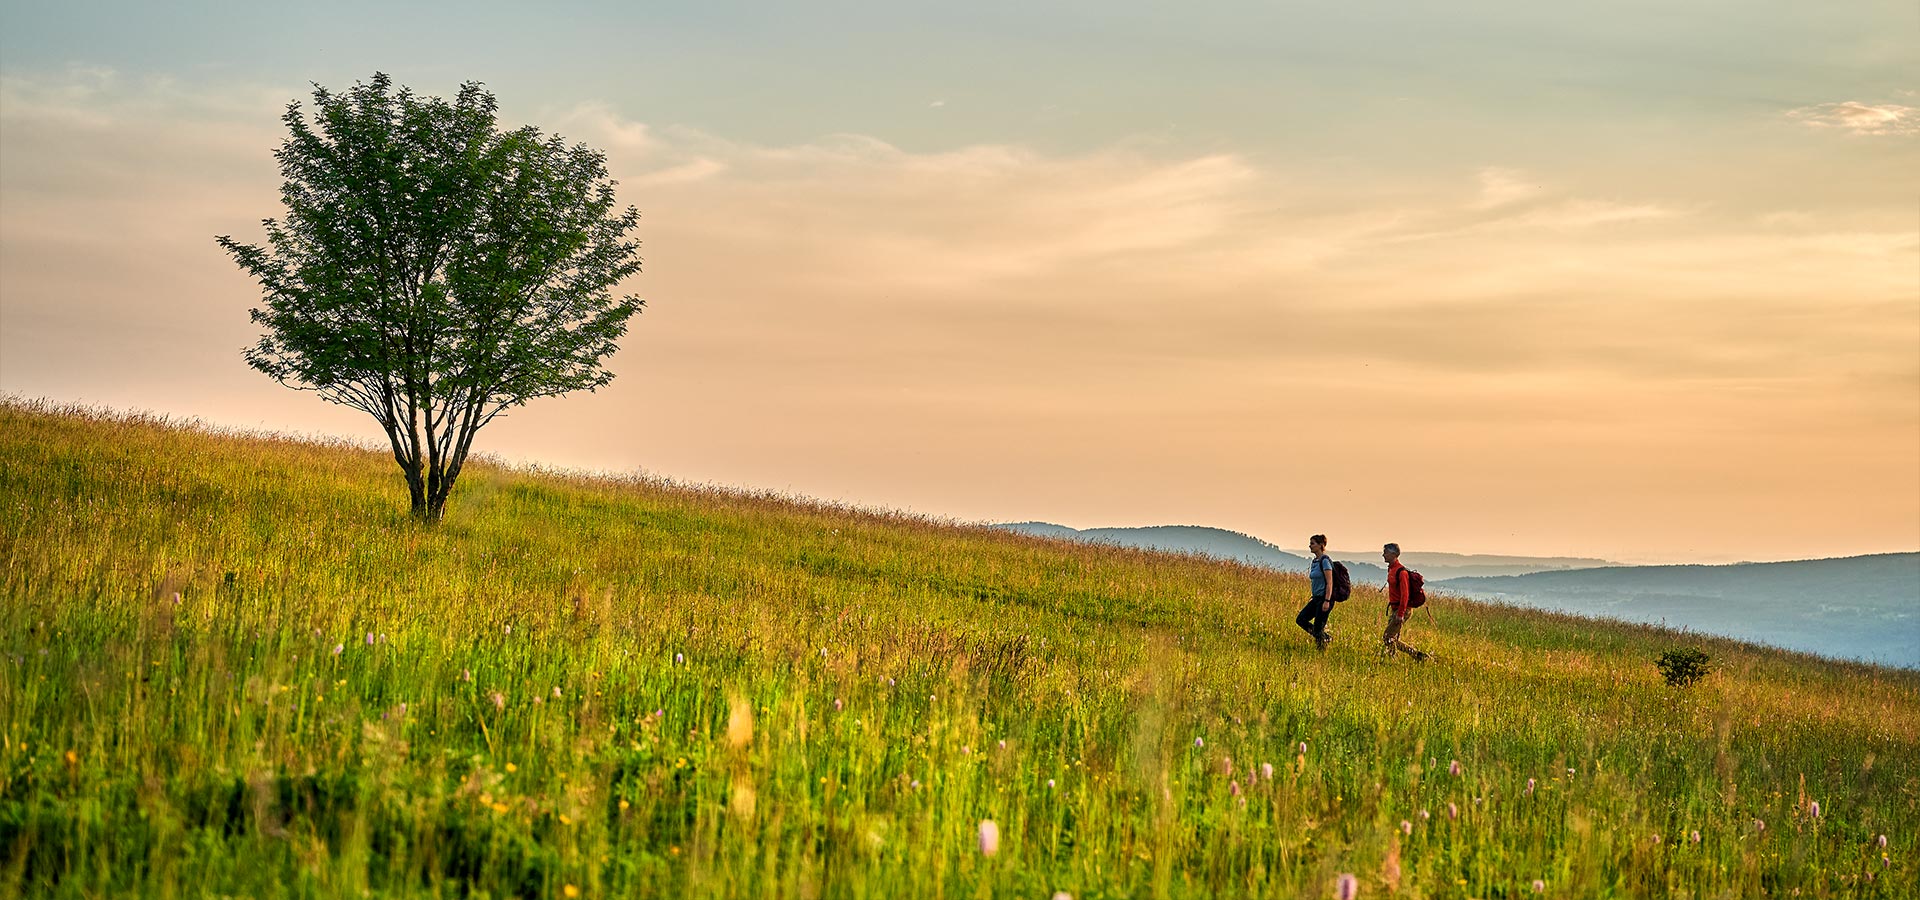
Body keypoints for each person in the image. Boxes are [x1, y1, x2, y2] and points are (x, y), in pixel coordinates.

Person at [1381, 542, 1430, 662]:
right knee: (1392, 638)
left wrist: (1400, 614)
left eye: (1385, 552)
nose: (1383, 555)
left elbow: (1405, 595)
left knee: (1387, 637)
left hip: (1402, 609)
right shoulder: (1391, 569)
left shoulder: (1401, 572)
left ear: (1393, 554)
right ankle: (1391, 660)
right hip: (1395, 609)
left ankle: (1417, 655)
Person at [1296, 534, 1336, 650]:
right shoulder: (1315, 562)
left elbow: (1330, 582)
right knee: (1301, 619)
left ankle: (1321, 650)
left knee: (1318, 628)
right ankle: (1326, 638)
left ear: (1320, 545)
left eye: (1312, 543)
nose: (1310, 546)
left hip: (1325, 599)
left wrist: (1327, 601)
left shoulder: (1325, 561)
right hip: (1316, 598)